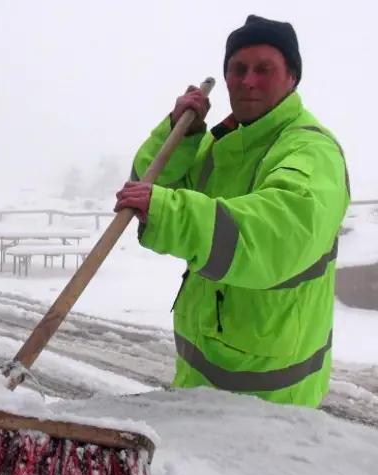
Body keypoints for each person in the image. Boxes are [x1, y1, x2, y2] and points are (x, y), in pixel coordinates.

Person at [114, 14, 351, 408]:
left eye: (264, 69)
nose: (248, 80)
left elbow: (277, 234)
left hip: (271, 394)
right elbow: (150, 187)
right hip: (198, 373)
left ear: (292, 78)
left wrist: (167, 211)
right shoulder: (219, 146)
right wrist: (178, 132)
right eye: (238, 69)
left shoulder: (310, 150)